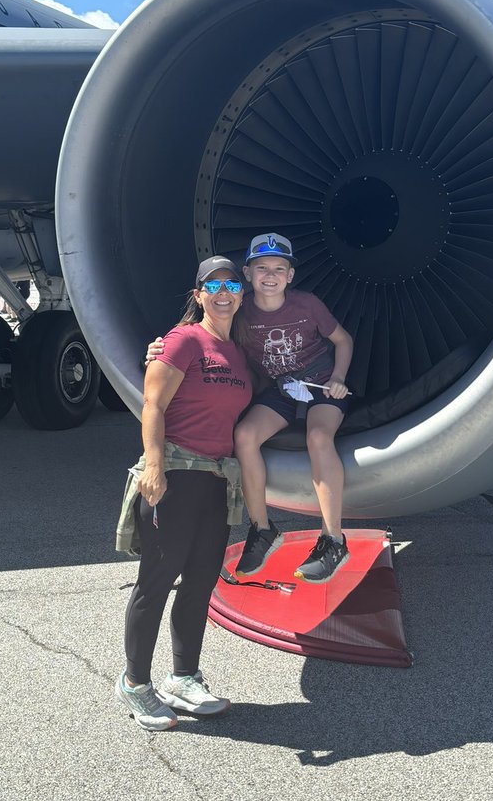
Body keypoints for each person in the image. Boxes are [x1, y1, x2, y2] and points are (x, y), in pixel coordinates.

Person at [148, 232, 354, 584]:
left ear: (290, 276)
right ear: (248, 275)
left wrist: (337, 376)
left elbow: (343, 339)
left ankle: (333, 539)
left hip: (321, 388)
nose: (270, 275)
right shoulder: (241, 314)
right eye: (261, 268)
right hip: (281, 392)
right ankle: (262, 529)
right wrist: (156, 351)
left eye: (279, 268)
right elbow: (204, 334)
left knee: (318, 437)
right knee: (244, 436)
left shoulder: (308, 305)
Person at [114, 256, 252, 731]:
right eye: (212, 285)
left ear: (242, 293)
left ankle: (184, 677)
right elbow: (152, 403)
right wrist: (153, 467)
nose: (223, 292)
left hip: (215, 479)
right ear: (198, 295)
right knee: (155, 582)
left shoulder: (237, 351)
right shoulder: (184, 339)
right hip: (175, 473)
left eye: (231, 284)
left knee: (200, 582)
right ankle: (134, 684)